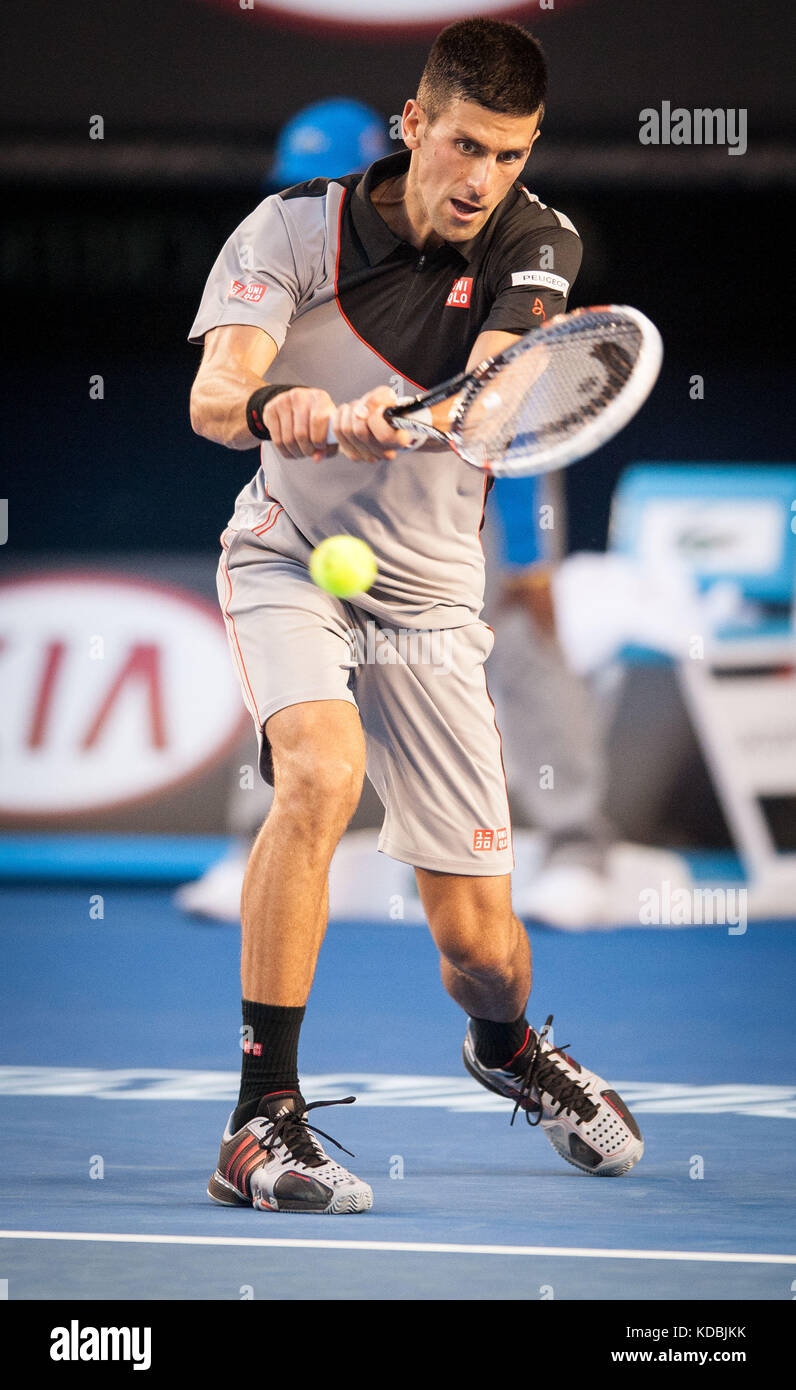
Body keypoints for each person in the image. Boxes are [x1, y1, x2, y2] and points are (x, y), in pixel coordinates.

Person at [189, 18, 643, 1215]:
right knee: (319, 780)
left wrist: (416, 412)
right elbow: (213, 395)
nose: (480, 178)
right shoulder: (291, 230)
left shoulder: (538, 241)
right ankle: (258, 1118)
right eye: (461, 146)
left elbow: (493, 400)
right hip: (291, 557)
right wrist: (286, 403)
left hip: (435, 600)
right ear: (412, 123)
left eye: (508, 154)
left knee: (482, 955)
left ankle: (504, 1048)